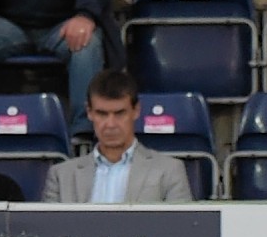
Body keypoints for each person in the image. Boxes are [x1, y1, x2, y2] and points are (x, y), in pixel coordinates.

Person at [0, 0, 123, 134]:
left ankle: (84, 133)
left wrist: (86, 15)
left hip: (65, 24)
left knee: (87, 42)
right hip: (6, 24)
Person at [42, 70, 192, 203]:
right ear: (89, 112)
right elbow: (48, 231)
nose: (111, 124)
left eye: (119, 113)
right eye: (102, 114)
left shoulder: (169, 171)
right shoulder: (61, 176)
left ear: (136, 110)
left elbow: (180, 231)